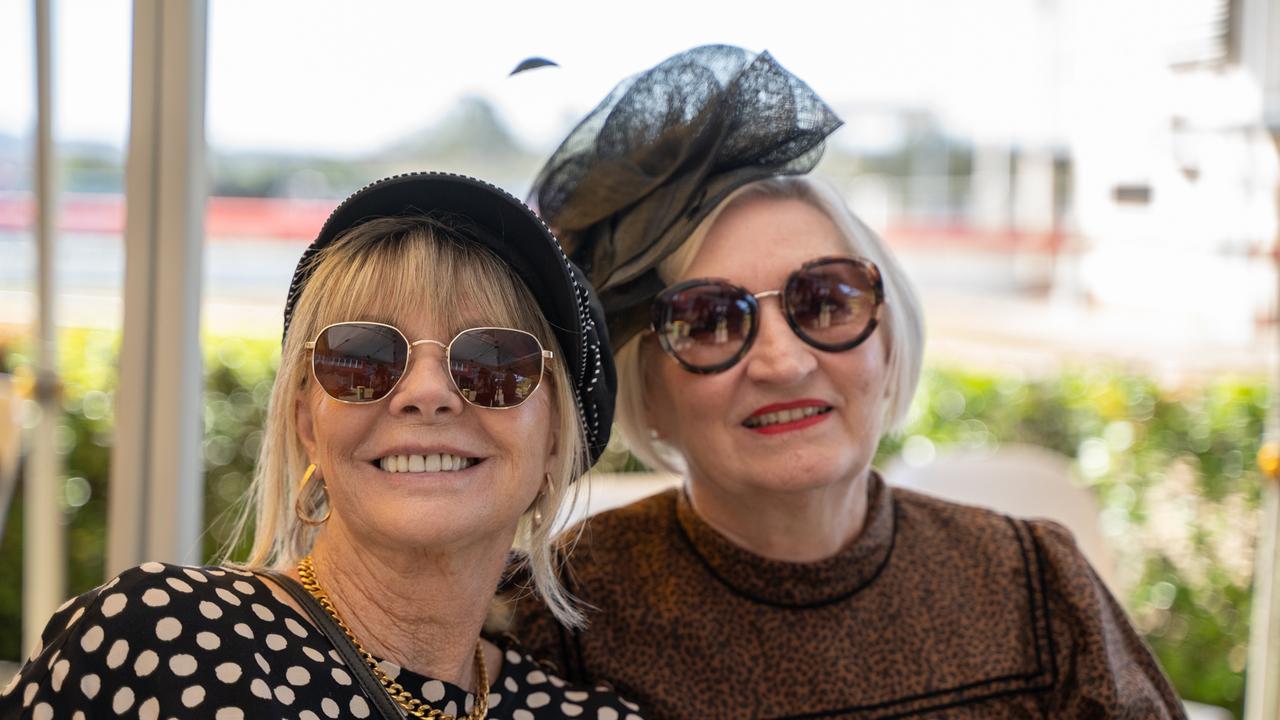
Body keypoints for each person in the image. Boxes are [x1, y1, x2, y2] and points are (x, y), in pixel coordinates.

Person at [509, 45, 1187, 719]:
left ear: (889, 340)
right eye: (710, 320)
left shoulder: (1035, 585)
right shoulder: (563, 612)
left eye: (826, 301)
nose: (785, 362)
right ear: (647, 385)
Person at [1, 172, 646, 720]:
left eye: (493, 361)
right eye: (363, 357)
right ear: (309, 421)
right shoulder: (160, 643)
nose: (426, 393)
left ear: (556, 436)